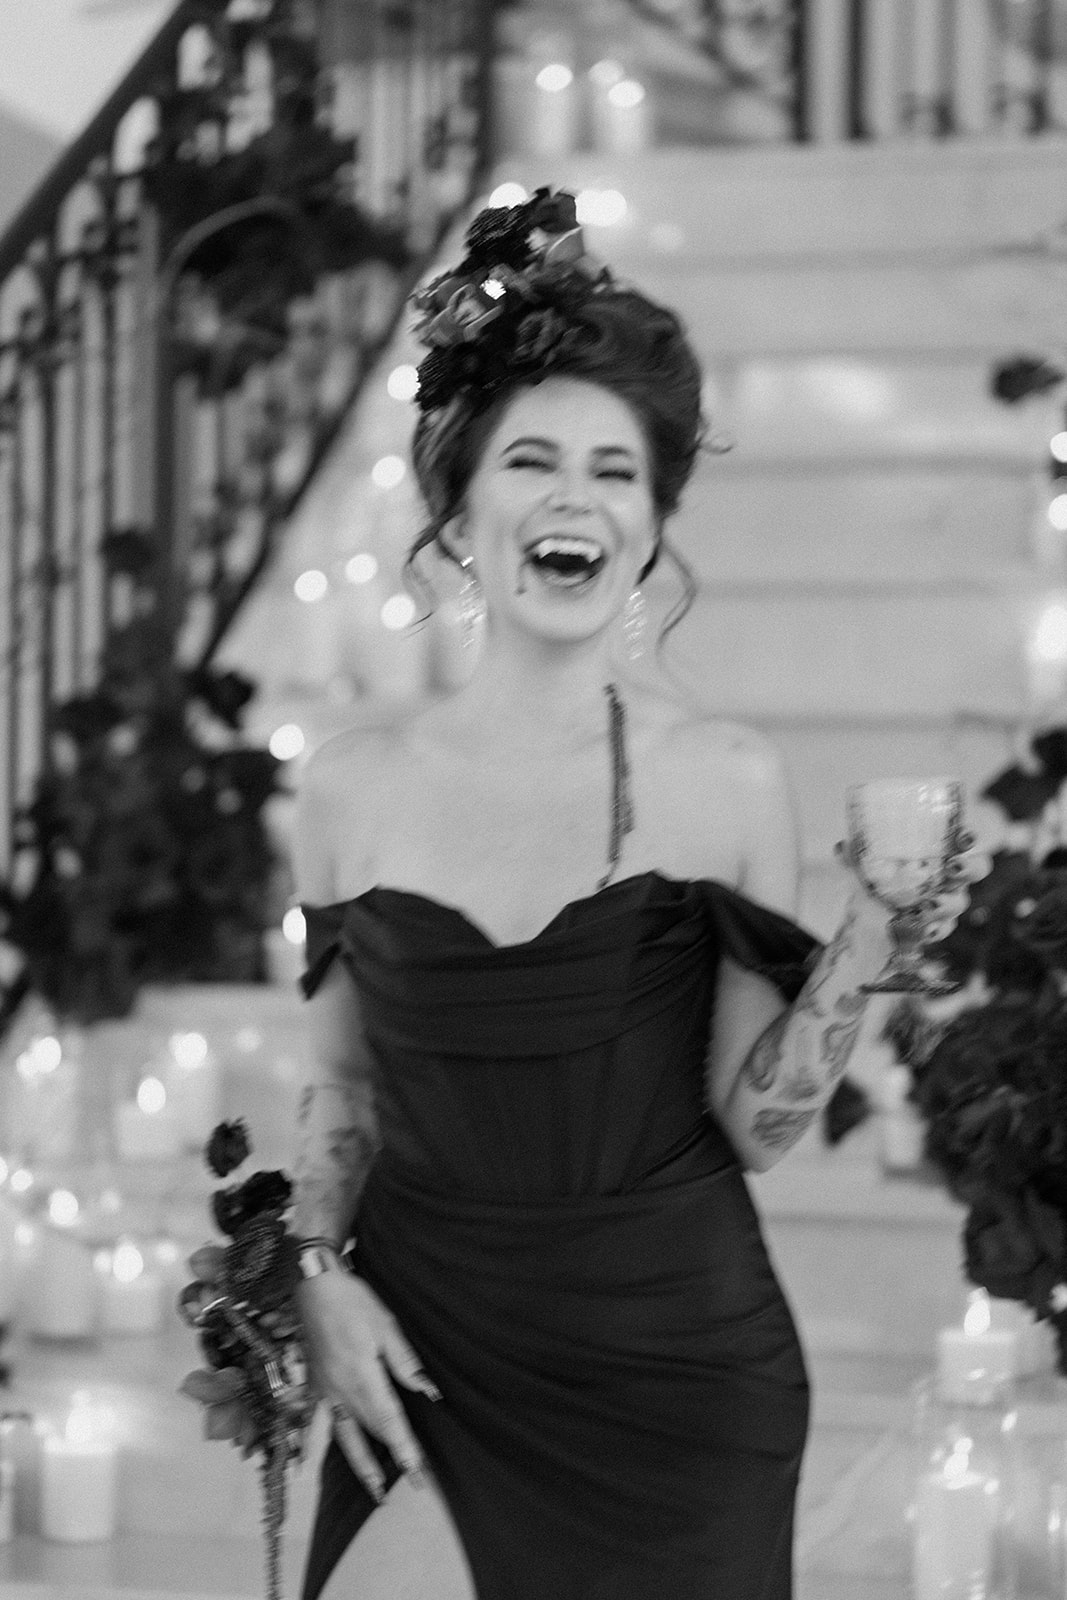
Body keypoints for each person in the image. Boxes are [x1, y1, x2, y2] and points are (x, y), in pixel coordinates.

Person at [190, 188, 983, 1599]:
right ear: (458, 502)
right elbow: (343, 1094)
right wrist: (314, 1270)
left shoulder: (729, 778)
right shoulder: (348, 789)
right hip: (426, 1351)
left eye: (615, 472)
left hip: (679, 1371)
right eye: (532, 461)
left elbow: (758, 1123)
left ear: (652, 519)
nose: (574, 500)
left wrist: (868, 938)